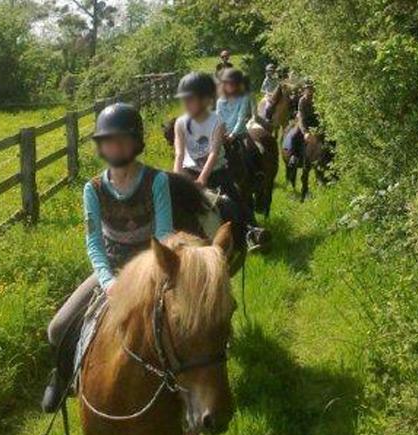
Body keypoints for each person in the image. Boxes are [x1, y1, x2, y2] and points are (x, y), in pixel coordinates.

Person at [41, 103, 174, 413]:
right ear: (101, 146)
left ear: (135, 142)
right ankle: (61, 377)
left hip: (150, 267)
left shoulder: (157, 181)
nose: (116, 146)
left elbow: (165, 235)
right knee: (57, 328)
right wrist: (109, 282)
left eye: (122, 139)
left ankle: (188, 388)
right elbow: (94, 243)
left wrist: (149, 275)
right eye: (109, 141)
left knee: (179, 326)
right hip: (112, 268)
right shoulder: (93, 189)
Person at [173, 71, 269, 250]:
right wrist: (176, 179)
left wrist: (203, 179)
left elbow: (214, 152)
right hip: (188, 172)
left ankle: (251, 232)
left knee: (235, 204)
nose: (186, 103)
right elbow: (179, 154)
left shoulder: (216, 121)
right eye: (184, 99)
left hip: (216, 172)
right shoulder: (180, 123)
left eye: (190, 98)